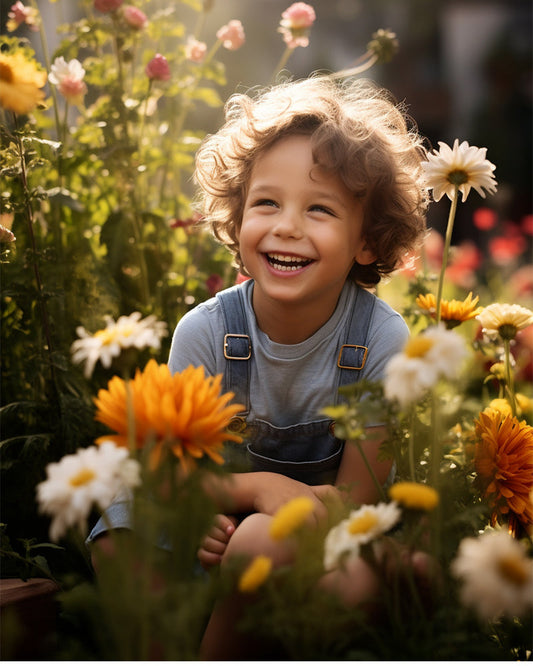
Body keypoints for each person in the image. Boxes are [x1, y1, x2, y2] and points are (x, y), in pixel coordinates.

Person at [88, 75, 429, 658]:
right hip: (206, 526)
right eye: (266, 202)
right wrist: (245, 493)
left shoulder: (380, 341)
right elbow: (170, 475)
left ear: (367, 242)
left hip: (321, 540)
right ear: (238, 217)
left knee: (300, 558)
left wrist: (264, 523)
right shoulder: (208, 332)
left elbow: (356, 504)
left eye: (319, 209)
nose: (287, 226)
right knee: (118, 525)